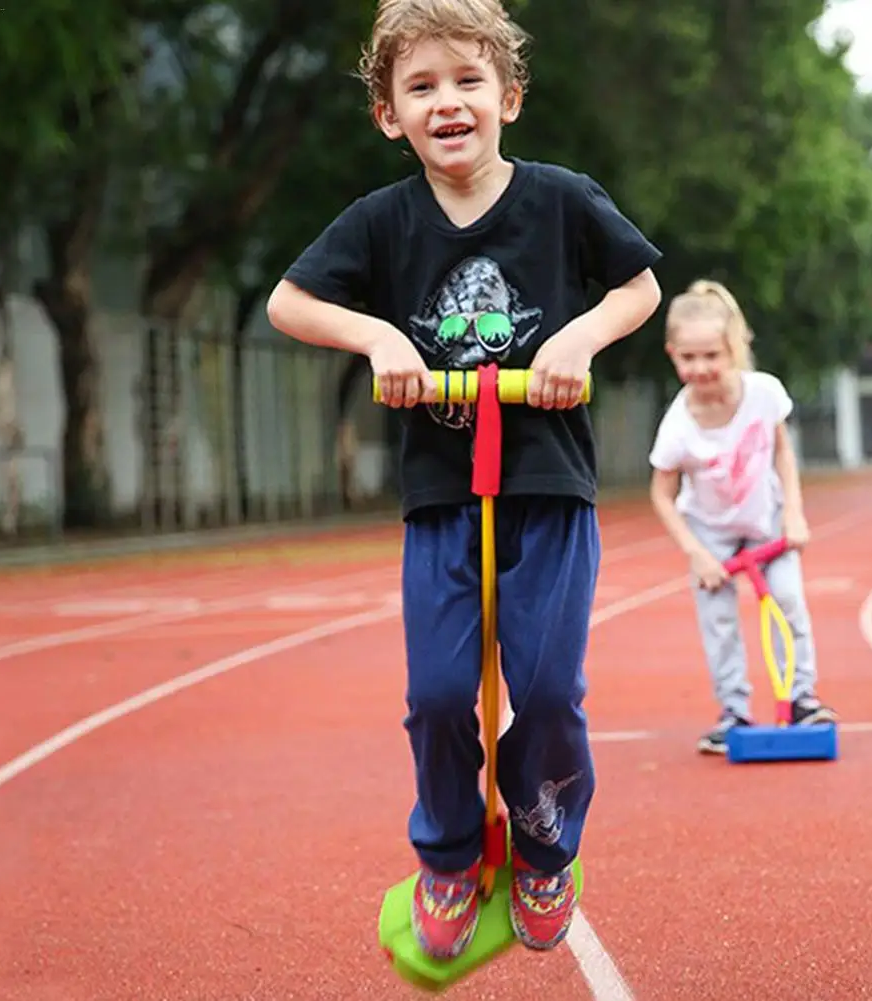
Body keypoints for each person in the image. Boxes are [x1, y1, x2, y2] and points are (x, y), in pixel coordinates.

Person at [265, 0, 662, 960]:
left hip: (548, 486)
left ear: (508, 98)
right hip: (443, 495)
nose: (448, 101)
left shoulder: (562, 200)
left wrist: (574, 337)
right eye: (421, 86)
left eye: (468, 80)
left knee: (546, 685)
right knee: (440, 693)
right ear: (389, 116)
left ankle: (541, 845)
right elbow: (289, 301)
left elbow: (639, 286)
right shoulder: (381, 221)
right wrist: (377, 336)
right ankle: (446, 853)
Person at [647, 279, 836, 755]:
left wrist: (793, 513)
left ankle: (801, 699)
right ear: (672, 354)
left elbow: (783, 455)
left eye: (711, 355)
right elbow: (663, 496)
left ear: (734, 348)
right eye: (688, 358)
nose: (701, 368)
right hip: (710, 530)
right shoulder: (677, 425)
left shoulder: (764, 393)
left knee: (788, 601)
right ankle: (733, 708)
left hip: (765, 519)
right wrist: (697, 556)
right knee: (719, 620)